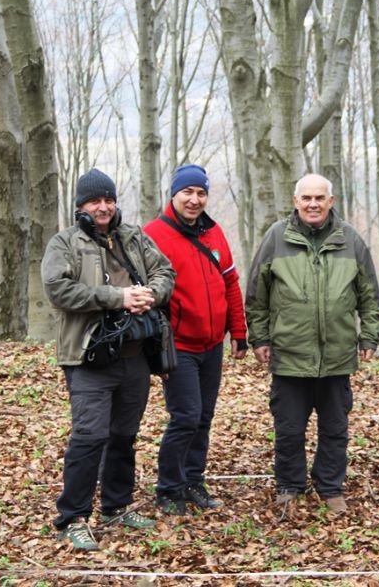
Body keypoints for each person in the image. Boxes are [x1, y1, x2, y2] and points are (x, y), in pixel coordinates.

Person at [42, 168, 175, 550]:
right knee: (90, 436)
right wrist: (116, 298)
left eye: (108, 200)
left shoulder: (132, 236)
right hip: (87, 357)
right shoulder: (64, 242)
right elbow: (57, 289)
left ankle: (116, 506)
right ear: (81, 205)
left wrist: (151, 293)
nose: (102, 207)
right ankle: (73, 516)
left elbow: (165, 270)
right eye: (94, 201)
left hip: (134, 355)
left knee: (123, 435)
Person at [244, 173, 379, 517]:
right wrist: (259, 337)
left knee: (335, 428)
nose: (313, 204)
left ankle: (330, 487)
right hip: (290, 354)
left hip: (336, 355)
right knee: (289, 428)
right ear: (295, 202)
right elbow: (257, 295)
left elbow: (369, 294)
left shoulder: (350, 239)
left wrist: (369, 335)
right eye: (306, 198)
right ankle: (290, 486)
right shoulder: (276, 238)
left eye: (319, 198)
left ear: (330, 202)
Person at [143, 164, 248, 515]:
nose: (194, 199)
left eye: (201, 193)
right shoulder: (154, 235)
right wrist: (154, 347)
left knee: (204, 416)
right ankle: (168, 488)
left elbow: (230, 283)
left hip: (212, 343)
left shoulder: (214, 233)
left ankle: (193, 481)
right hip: (179, 345)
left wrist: (239, 331)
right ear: (174, 194)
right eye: (187, 192)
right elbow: (146, 296)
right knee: (185, 415)